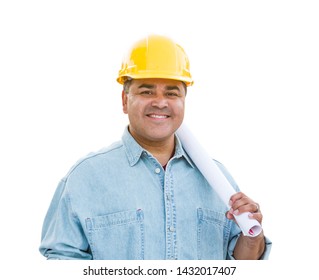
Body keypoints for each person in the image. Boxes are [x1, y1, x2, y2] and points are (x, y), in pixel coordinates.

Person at [39, 34, 272, 260]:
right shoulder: (85, 178)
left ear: (183, 102)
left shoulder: (218, 179)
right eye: (147, 91)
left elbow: (242, 265)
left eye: (172, 93)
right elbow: (62, 262)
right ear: (124, 100)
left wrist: (252, 239)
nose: (160, 102)